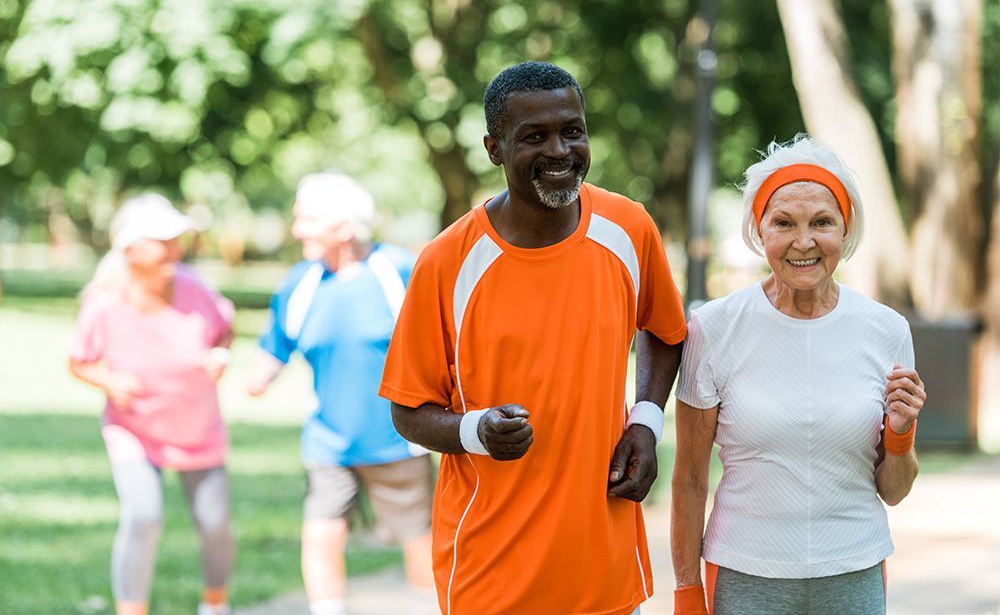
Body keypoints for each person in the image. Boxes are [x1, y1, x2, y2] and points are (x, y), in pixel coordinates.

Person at [379, 61, 687, 615]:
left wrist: (645, 421)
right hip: (491, 574)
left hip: (605, 566)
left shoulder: (629, 228)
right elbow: (408, 409)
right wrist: (475, 431)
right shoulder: (446, 261)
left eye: (572, 130)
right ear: (494, 149)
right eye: (534, 137)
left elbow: (665, 332)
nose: (560, 151)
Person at [670, 136, 928, 615]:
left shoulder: (887, 330)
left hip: (853, 571)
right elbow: (688, 479)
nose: (803, 242)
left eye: (822, 223)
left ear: (845, 230)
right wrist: (686, 591)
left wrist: (900, 433)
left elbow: (894, 490)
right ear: (759, 230)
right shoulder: (714, 328)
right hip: (745, 575)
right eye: (784, 223)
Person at [246, 172, 435, 615]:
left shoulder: (396, 271)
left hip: (397, 437)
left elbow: (441, 335)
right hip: (329, 441)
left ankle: (430, 607)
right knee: (321, 533)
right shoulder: (300, 283)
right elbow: (276, 345)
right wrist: (259, 377)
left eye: (308, 219)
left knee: (421, 537)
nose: (297, 230)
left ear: (346, 226)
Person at [69, 193, 235, 615]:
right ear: (131, 248)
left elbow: (223, 328)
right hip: (134, 430)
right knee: (143, 517)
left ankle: (215, 605)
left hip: (196, 425)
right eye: (163, 241)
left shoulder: (194, 287)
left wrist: (219, 353)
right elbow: (79, 361)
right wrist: (109, 380)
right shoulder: (104, 302)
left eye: (176, 240)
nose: (174, 250)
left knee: (214, 525)